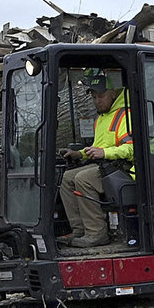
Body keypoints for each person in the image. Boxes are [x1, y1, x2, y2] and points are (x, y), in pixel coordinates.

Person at [59, 70, 133, 249]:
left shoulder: (126, 115)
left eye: (101, 96)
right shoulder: (102, 118)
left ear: (113, 94)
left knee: (83, 179)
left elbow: (131, 148)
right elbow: (97, 146)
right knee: (66, 178)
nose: (97, 101)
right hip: (106, 165)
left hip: (124, 168)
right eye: (93, 97)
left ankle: (96, 233)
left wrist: (104, 153)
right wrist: (79, 154)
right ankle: (79, 230)